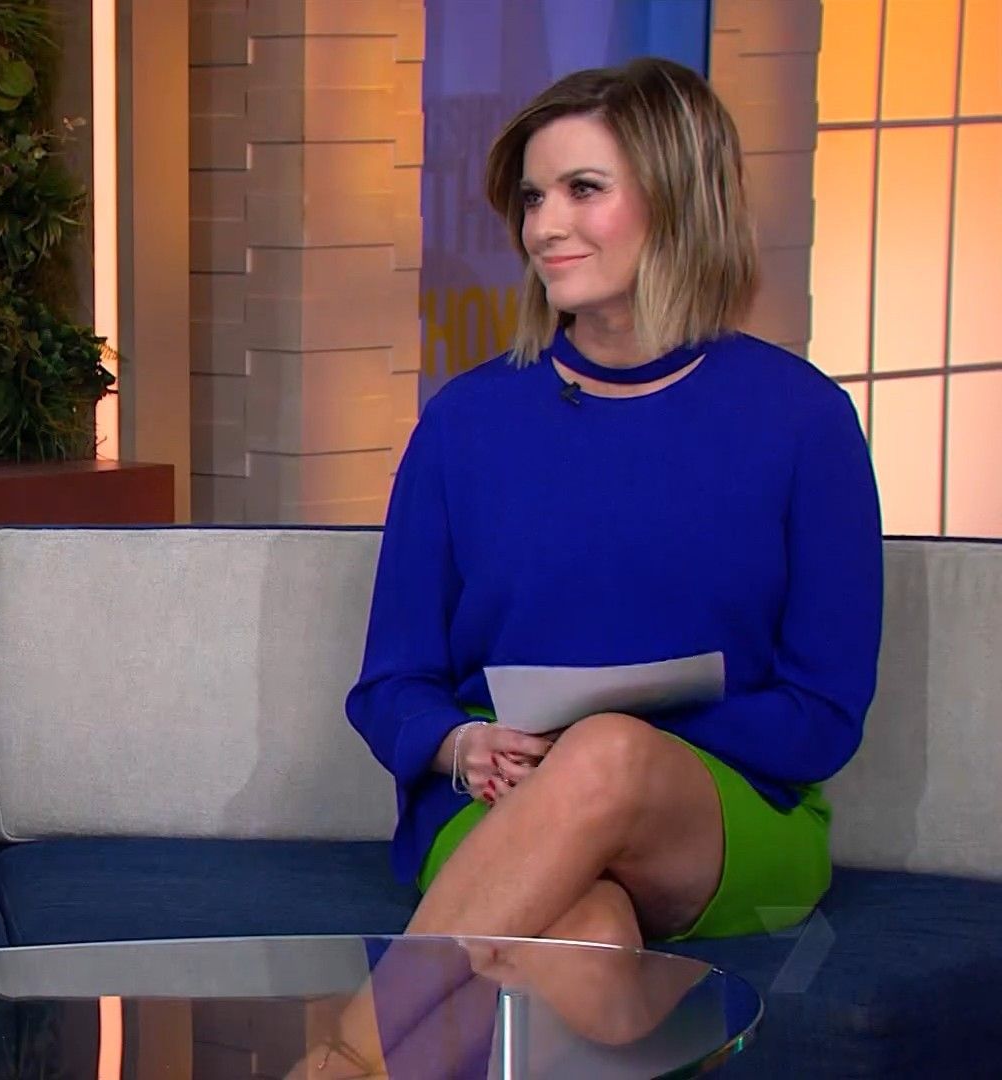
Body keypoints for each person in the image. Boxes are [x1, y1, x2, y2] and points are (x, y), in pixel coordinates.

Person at [305, 57, 883, 1075]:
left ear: (678, 198)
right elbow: (391, 685)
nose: (544, 227)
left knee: (609, 754)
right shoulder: (466, 423)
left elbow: (824, 713)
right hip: (502, 811)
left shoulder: (804, 421)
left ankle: (341, 1065)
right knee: (587, 948)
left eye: (583, 189)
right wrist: (460, 748)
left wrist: (605, 741)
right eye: (533, 198)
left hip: (727, 818)